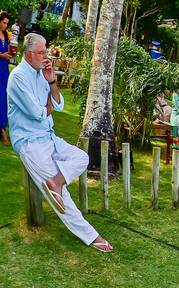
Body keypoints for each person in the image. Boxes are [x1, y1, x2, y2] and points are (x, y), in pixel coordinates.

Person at [7, 33, 113, 251]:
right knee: (61, 197)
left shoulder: (41, 74)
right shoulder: (18, 77)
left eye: (46, 51)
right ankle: (90, 236)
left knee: (81, 157)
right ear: (28, 54)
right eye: (42, 52)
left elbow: (59, 104)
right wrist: (49, 106)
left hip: (49, 136)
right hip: (29, 142)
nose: (47, 56)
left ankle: (56, 181)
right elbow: (38, 113)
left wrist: (52, 80)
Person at [0, 11, 13, 145]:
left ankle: (3, 128)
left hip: (4, 69)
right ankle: (3, 132)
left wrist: (9, 54)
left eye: (7, 23)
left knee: (4, 98)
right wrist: (1, 55)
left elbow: (7, 50)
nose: (5, 25)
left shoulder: (6, 35)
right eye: (4, 22)